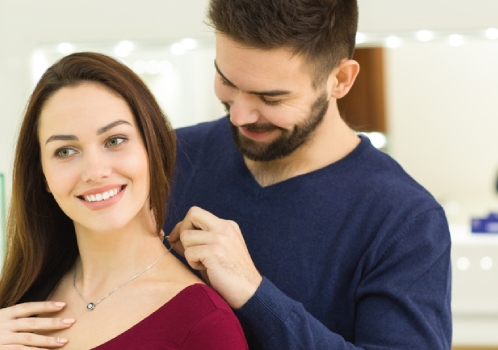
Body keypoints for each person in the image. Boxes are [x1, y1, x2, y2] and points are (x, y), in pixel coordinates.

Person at [162, 0, 452, 349]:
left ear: (340, 80)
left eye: (271, 98)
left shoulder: (405, 220)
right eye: (226, 81)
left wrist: (253, 293)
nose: (239, 116)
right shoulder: (171, 156)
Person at [0, 52, 247, 349]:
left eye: (115, 140)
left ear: (153, 150)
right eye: (65, 151)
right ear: (43, 177)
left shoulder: (203, 322)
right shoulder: (13, 298)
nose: (94, 171)